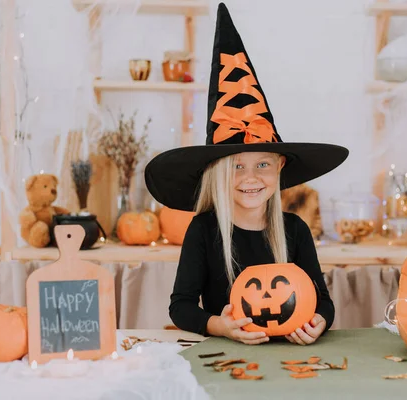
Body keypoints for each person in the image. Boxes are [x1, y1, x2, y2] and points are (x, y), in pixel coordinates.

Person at [144, 3, 349, 345]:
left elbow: (322, 302)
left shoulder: (294, 230)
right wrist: (217, 326)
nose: (250, 177)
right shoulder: (204, 230)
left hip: (291, 359)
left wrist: (318, 323)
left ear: (280, 167)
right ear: (216, 174)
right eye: (236, 166)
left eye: (262, 164)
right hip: (226, 358)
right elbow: (180, 306)